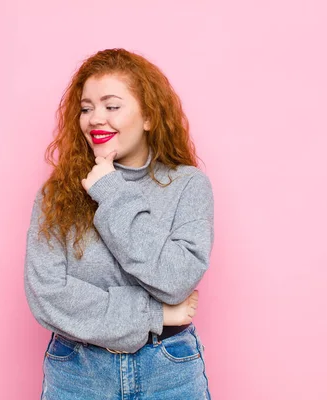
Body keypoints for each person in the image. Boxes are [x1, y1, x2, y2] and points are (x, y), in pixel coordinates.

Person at [24, 48, 214, 399]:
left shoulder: (188, 185)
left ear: (149, 117)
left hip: (168, 369)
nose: (95, 118)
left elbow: (175, 279)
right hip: (77, 372)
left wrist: (110, 190)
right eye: (86, 108)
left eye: (112, 106)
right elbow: (47, 295)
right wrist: (155, 314)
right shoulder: (57, 194)